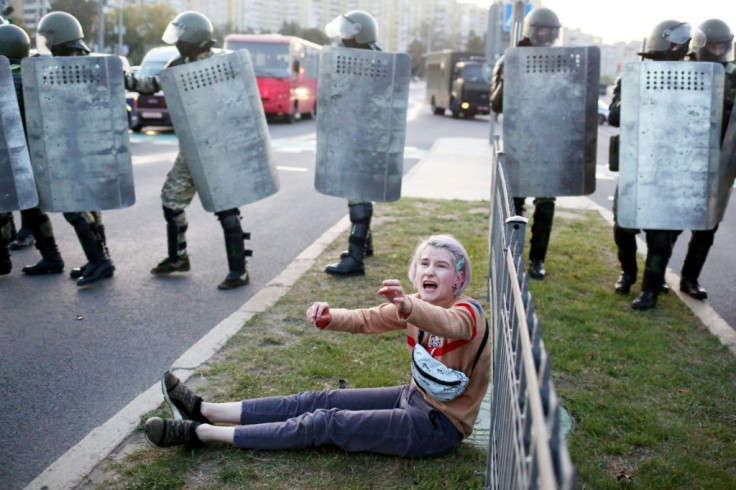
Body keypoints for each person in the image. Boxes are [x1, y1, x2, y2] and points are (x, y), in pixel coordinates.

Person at [143, 234, 490, 458]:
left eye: (441, 266)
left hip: (438, 427)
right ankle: (207, 409)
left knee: (326, 423)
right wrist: (329, 317)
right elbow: (367, 318)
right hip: (412, 397)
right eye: (424, 264)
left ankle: (199, 433)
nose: (430, 270)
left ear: (458, 278)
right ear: (415, 272)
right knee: (318, 400)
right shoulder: (411, 305)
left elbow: (449, 324)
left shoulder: (468, 313)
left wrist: (410, 307)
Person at [126, 11, 251, 290]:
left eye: (181, 37)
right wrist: (125, 78)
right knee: (171, 200)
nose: (177, 43)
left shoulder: (223, 62)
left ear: (192, 38)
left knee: (226, 206)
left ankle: (239, 269)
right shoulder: (179, 63)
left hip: (220, 145)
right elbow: (150, 86)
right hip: (192, 147)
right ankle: (178, 257)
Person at [608, 20, 693, 309]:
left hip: (670, 169)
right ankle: (628, 273)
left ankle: (650, 290)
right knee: (623, 228)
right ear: (662, 43)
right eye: (675, 44)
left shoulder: (691, 75)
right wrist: (642, 93)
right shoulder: (633, 74)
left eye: (683, 45)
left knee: (660, 237)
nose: (680, 50)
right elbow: (614, 116)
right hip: (635, 164)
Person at [30, 11, 115, 286]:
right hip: (85, 146)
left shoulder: (73, 69)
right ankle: (100, 260)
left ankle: (100, 261)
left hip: (77, 147)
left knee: (74, 207)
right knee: (88, 207)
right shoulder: (82, 64)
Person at [489, 7, 562, 280]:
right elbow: (496, 104)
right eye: (544, 31)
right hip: (519, 142)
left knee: (546, 203)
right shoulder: (510, 59)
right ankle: (513, 255)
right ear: (533, 31)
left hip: (547, 144)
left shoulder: (559, 61)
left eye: (552, 32)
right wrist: (512, 72)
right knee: (514, 203)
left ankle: (538, 260)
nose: (549, 37)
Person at [670, 19, 736, 301]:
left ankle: (689, 279)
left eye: (724, 45)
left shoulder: (733, 74)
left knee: (708, 225)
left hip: (720, 159)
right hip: (685, 156)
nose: (719, 50)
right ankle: (656, 275)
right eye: (714, 45)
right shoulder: (684, 69)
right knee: (669, 222)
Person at [0, 22, 65, 277]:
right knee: (32, 209)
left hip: (6, 155)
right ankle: (52, 256)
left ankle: (2, 259)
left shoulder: (4, 81)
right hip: (31, 153)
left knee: (2, 207)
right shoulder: (32, 77)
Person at [322, 10, 380, 277]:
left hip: (363, 135)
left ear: (361, 33)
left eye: (349, 32)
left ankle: (355, 258)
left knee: (357, 192)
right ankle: (364, 245)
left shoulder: (369, 61)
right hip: (361, 133)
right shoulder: (373, 55)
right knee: (359, 191)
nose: (344, 37)